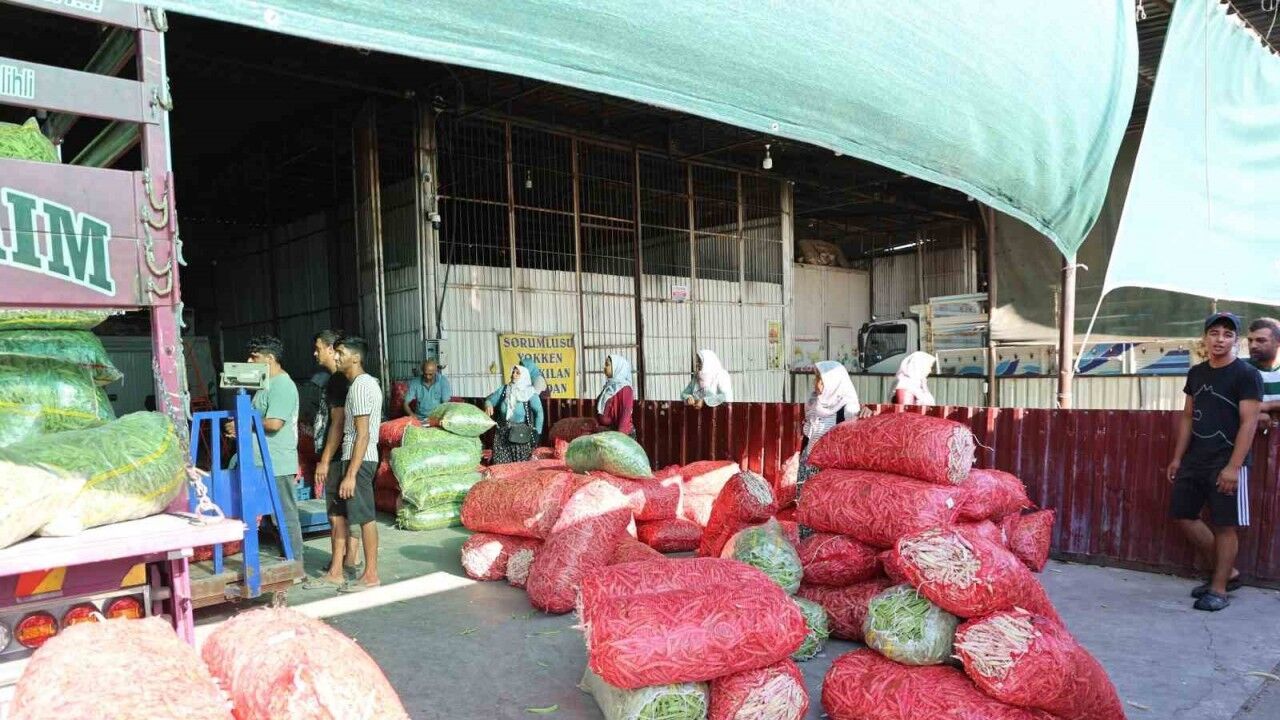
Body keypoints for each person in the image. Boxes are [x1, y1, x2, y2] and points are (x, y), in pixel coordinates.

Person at [1166, 312, 1262, 612]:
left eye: (1227, 334)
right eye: (1214, 333)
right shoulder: (1196, 373)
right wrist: (1177, 457)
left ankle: (1219, 589)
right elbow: (1187, 416)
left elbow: (1249, 423)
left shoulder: (1246, 374)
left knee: (1225, 525)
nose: (1220, 339)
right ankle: (1227, 572)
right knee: (1183, 515)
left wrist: (1234, 467)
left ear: (1236, 341)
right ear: (1205, 337)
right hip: (1195, 458)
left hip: (1227, 460)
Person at [309, 335, 382, 592]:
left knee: (365, 518)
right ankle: (336, 573)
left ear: (356, 357)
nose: (336, 356)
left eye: (340, 352)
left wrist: (351, 474)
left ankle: (370, 575)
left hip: (358, 460)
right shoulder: (355, 385)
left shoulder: (361, 386)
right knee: (339, 515)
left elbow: (363, 434)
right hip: (350, 458)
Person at [227, 336, 302, 562]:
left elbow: (274, 423)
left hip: (276, 463)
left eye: (254, 357)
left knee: (284, 516)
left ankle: (295, 564)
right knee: (270, 516)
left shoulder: (282, 385)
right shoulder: (266, 384)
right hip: (261, 462)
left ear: (270, 358)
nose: (249, 362)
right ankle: (285, 559)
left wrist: (243, 423)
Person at [310, 329, 359, 570]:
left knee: (336, 514)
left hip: (338, 455)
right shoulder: (344, 379)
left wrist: (325, 460)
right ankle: (350, 558)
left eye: (318, 348)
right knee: (348, 511)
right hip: (346, 453)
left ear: (331, 349)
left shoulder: (337, 381)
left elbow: (337, 423)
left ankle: (338, 565)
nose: (315, 353)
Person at [798, 361, 871, 492]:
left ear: (834, 382)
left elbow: (854, 438)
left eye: (820, 379)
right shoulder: (813, 401)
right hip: (809, 463)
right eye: (816, 378)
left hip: (831, 470)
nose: (816, 383)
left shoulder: (848, 407)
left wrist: (866, 415)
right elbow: (809, 433)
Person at [485, 364, 544, 464]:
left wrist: (537, 432)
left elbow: (539, 412)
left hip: (520, 436)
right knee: (500, 467)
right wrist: (488, 404)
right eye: (513, 372)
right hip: (502, 436)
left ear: (524, 376)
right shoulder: (504, 390)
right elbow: (490, 400)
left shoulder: (529, 393)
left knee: (520, 468)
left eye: (517, 373)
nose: (513, 375)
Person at [1246, 317, 1280, 426]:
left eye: (1261, 340)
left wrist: (1268, 405)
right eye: (1250, 340)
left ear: (1278, 342)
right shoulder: (1239, 369)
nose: (1253, 346)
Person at [596, 354, 635, 438]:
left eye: (607, 365)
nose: (604, 367)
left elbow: (625, 414)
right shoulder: (609, 387)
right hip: (609, 433)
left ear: (617, 367)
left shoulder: (625, 388)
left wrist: (619, 438)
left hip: (621, 436)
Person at [403, 358, 451, 422]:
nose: (427, 377)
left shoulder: (443, 381)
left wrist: (441, 419)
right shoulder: (415, 382)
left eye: (430, 374)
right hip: (419, 418)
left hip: (437, 418)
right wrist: (412, 415)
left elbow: (446, 404)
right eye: (425, 374)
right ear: (422, 371)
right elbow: (405, 403)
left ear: (435, 371)